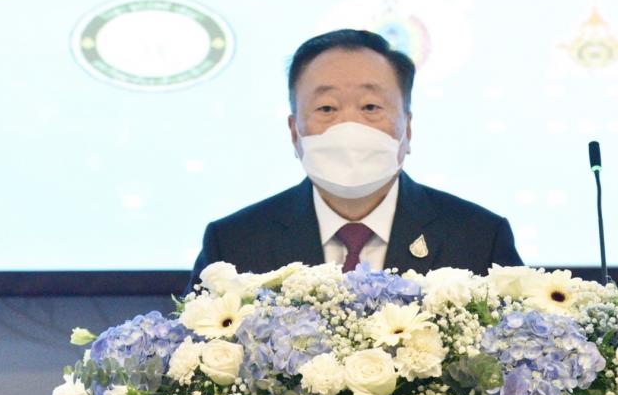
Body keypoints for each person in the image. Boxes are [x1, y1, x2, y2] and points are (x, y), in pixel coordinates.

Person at [185, 29, 522, 294]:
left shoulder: (478, 237)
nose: (349, 125)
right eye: (326, 108)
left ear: (407, 128)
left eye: (370, 107)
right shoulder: (234, 243)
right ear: (294, 132)